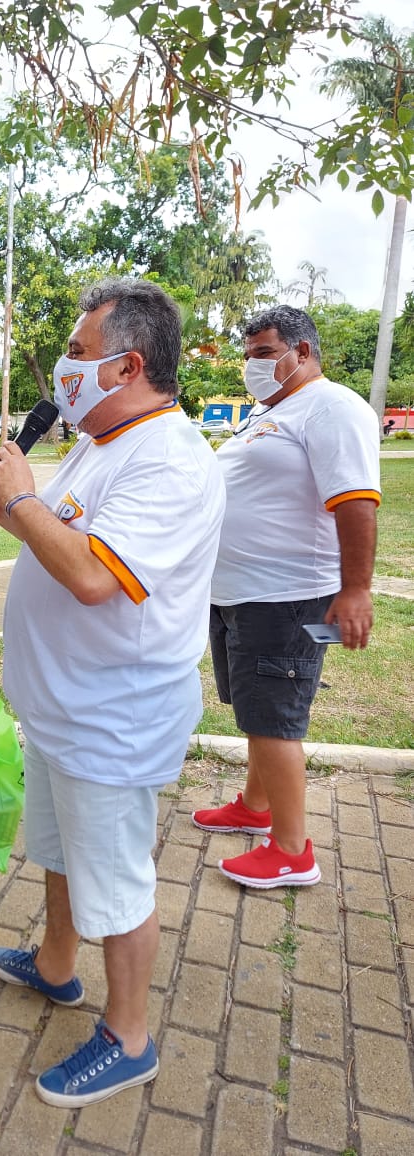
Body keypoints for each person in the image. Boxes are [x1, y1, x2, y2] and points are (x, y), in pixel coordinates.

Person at [0, 278, 225, 1107]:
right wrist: (10, 513)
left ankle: (128, 1037)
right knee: (58, 849)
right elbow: (65, 537)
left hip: (112, 718)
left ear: (128, 366)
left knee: (112, 881)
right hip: (60, 709)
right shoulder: (103, 440)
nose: (64, 367)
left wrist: (23, 498)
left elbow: (88, 577)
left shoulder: (169, 459)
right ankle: (54, 965)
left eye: (78, 353)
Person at [192, 306, 381, 888]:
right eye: (249, 354)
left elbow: (355, 500)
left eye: (265, 353)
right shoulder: (269, 412)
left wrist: (356, 590)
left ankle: (292, 852)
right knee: (257, 711)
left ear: (302, 351)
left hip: (287, 596)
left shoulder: (333, 407)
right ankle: (255, 807)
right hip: (241, 593)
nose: (253, 365)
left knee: (276, 720)